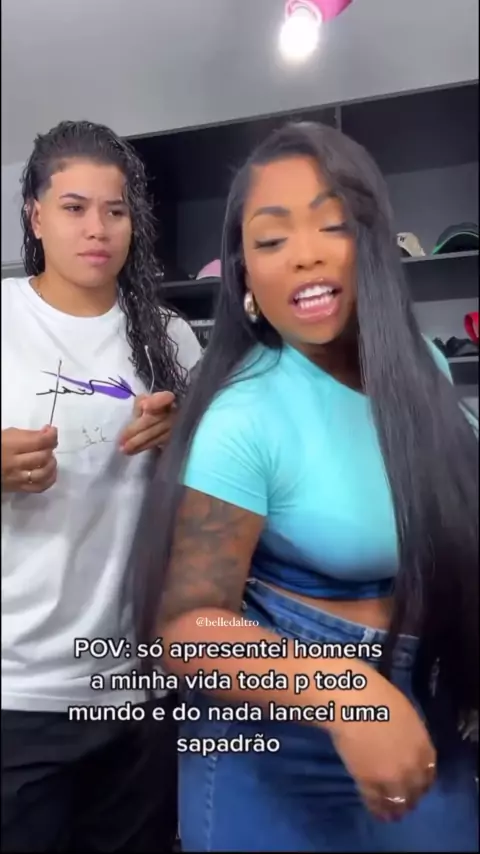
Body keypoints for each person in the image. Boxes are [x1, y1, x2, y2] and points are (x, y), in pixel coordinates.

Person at [134, 122, 479, 852]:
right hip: (277, 750)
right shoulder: (243, 417)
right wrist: (345, 692)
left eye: (332, 224)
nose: (305, 254)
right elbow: (188, 629)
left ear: (371, 240)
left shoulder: (424, 366)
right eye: (271, 239)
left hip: (426, 710)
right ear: (244, 276)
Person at [1, 120, 202, 853]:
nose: (98, 228)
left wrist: (185, 437)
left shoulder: (171, 336)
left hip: (139, 692)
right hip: (17, 691)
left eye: (115, 210)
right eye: (74, 207)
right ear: (36, 216)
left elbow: (213, 502)